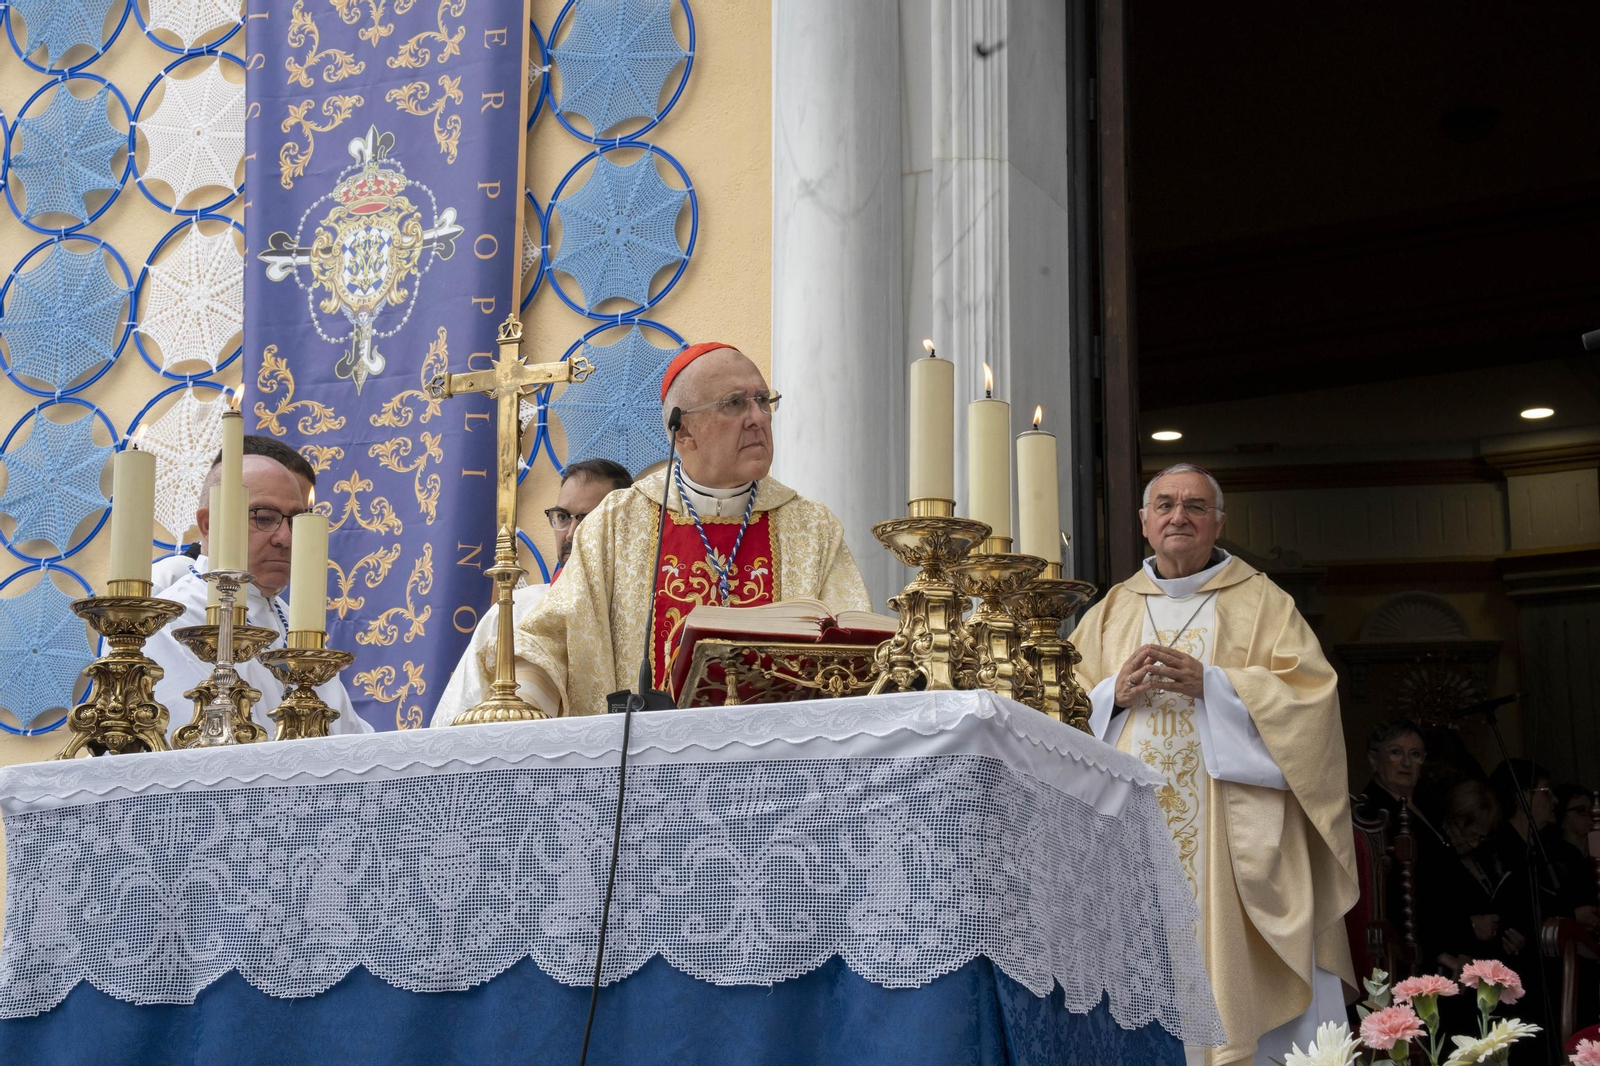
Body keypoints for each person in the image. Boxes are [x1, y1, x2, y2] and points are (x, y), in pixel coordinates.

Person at [1068, 462, 1357, 1066]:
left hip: (1232, 840)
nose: (1180, 517)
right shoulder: (1110, 612)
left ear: (1218, 522)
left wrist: (1219, 687)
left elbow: (1312, 703)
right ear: (1144, 522)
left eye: (1196, 507)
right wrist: (1109, 698)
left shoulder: (1264, 604)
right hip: (1129, 831)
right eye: (1166, 505)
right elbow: (1055, 709)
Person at [493, 342, 870, 716]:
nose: (758, 417)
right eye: (735, 403)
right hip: (646, 766)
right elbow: (551, 641)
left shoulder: (812, 528)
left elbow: (858, 649)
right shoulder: (618, 522)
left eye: (763, 400)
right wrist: (523, 707)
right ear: (683, 431)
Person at [145, 436, 372, 739]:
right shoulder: (168, 622)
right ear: (209, 524)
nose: (286, 539)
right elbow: (189, 743)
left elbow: (348, 733)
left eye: (296, 522)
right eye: (264, 518)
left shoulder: (294, 620)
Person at [430, 458, 632, 727]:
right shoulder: (517, 609)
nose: (570, 533)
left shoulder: (637, 615)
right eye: (562, 517)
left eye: (588, 519)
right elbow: (454, 720)